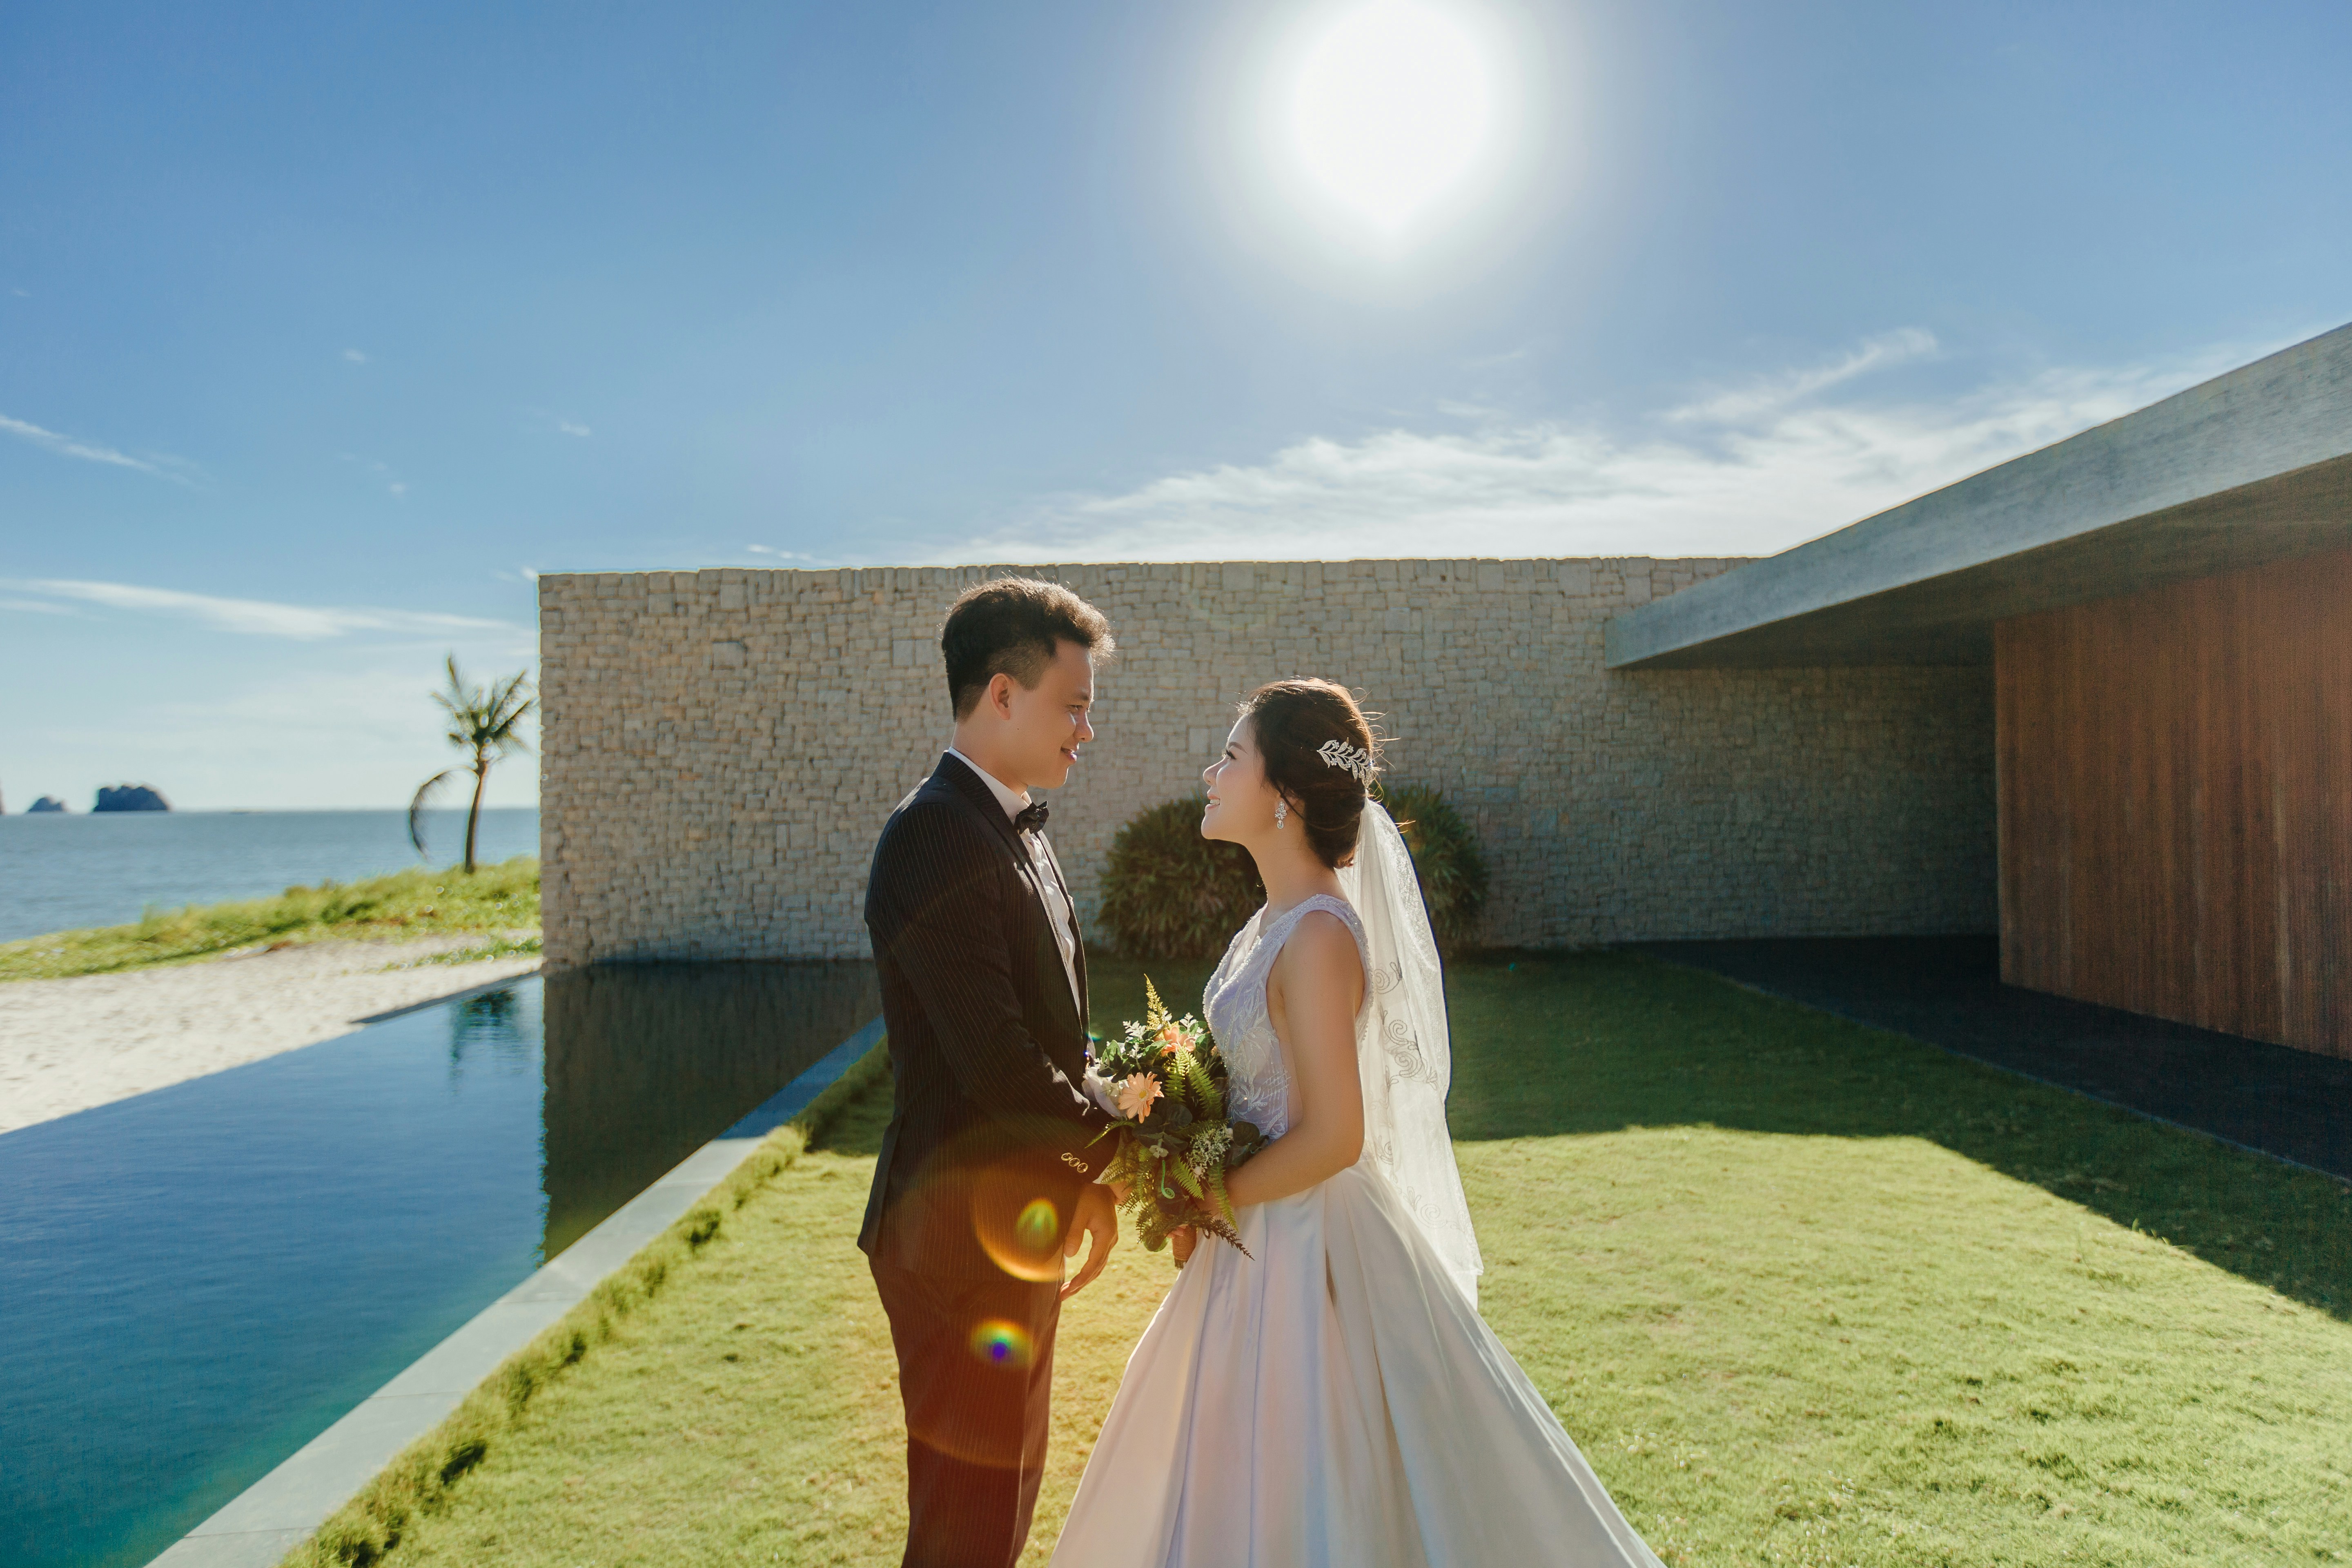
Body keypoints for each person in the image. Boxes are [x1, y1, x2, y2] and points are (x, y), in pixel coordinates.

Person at [1052, 678, 1666, 1568]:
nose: (1211, 772)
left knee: (1316, 1473)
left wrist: (1205, 1194)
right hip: (1256, 1238)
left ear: (1288, 798)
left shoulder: (1319, 937)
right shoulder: (1270, 923)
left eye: (1232, 756)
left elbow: (1337, 1134)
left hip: (1308, 1252)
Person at [862, 577, 1124, 1568]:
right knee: (966, 1532)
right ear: (1003, 695)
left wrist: (1088, 1172)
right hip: (953, 1250)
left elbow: (1059, 1044)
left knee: (1003, 1510)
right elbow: (1002, 1067)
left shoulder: (1017, 828)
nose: (1084, 732)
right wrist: (1128, 1155)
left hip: (1013, 1234)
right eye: (1074, 706)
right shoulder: (933, 833)